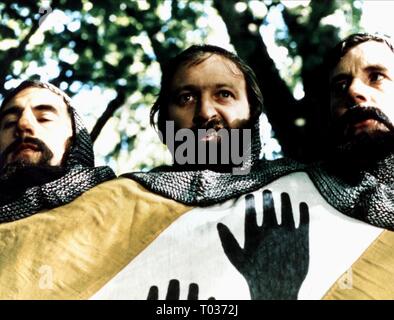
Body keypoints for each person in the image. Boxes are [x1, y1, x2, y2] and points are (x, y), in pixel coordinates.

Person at [0, 80, 115, 222]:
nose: (23, 124)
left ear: (75, 137)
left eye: (44, 118)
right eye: (10, 122)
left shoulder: (127, 197)